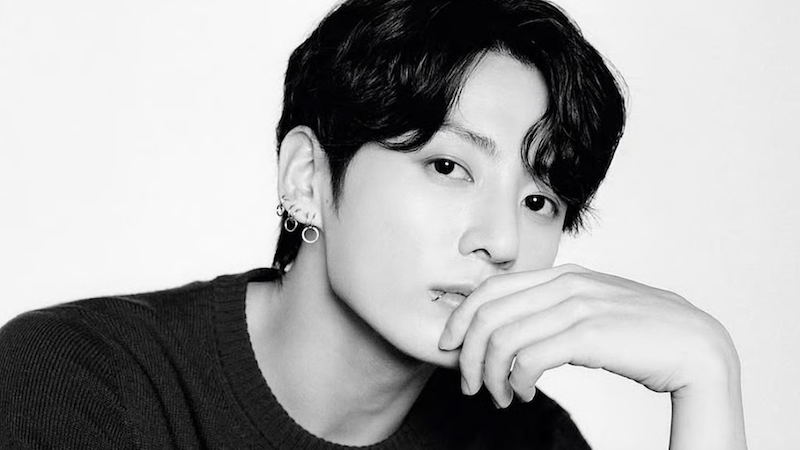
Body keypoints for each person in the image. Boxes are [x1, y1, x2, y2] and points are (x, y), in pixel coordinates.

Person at [0, 0, 747, 448]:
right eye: (448, 166)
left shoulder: (524, 437)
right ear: (307, 178)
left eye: (538, 201)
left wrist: (706, 376)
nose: (502, 242)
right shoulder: (76, 381)